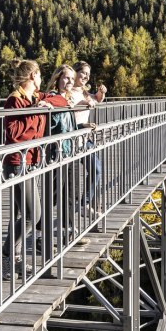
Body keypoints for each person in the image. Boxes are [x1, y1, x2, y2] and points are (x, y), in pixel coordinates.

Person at [0, 59, 53, 279]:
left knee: (22, 213)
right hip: (17, 162)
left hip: (31, 160)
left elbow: (57, 98)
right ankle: (4, 255)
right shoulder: (15, 100)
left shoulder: (35, 98)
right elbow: (13, 132)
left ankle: (14, 260)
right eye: (40, 75)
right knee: (32, 214)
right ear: (32, 76)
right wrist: (33, 111)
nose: (41, 79)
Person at [45, 64, 90, 247]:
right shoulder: (54, 98)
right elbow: (53, 125)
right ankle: (41, 233)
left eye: (72, 78)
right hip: (58, 152)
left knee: (71, 192)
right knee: (54, 195)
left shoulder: (65, 99)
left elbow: (67, 127)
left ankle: (69, 232)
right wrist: (64, 105)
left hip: (69, 150)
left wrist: (82, 126)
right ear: (58, 79)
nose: (70, 81)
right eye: (66, 78)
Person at [67, 61, 106, 211]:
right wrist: (83, 102)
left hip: (84, 139)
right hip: (71, 140)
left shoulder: (83, 92)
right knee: (69, 180)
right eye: (83, 73)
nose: (86, 77)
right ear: (75, 72)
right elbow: (67, 107)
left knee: (96, 169)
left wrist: (101, 92)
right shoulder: (68, 91)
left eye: (88, 74)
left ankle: (85, 204)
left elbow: (96, 99)